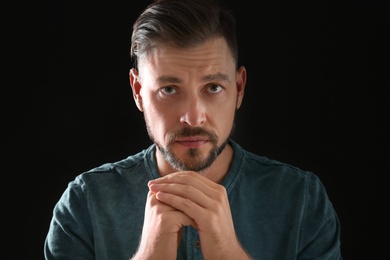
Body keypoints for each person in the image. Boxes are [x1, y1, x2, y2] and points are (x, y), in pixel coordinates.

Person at [44, 0, 342, 259]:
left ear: (238, 88)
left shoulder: (301, 200)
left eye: (213, 87)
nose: (193, 117)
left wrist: (228, 252)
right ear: (137, 91)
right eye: (169, 89)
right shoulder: (84, 203)